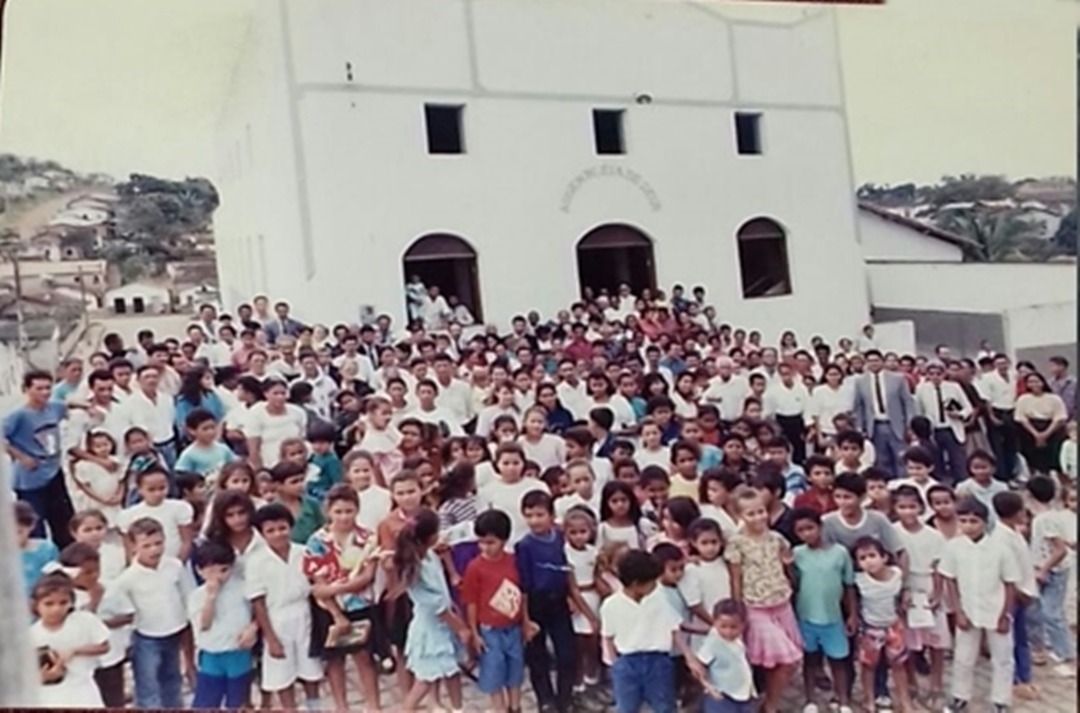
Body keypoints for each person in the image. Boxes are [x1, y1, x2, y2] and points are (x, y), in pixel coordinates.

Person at [302, 485, 382, 713]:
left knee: (364, 657)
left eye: (349, 511)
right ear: (328, 511)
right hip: (329, 610)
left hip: (361, 605)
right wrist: (335, 611)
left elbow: (367, 576)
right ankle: (341, 707)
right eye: (338, 511)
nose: (344, 516)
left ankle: (373, 706)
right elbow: (317, 582)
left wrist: (334, 588)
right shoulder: (317, 541)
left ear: (357, 510)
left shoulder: (367, 538)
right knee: (334, 661)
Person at [939, 497, 1019, 713]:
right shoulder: (954, 547)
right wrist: (958, 611)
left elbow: (1010, 583)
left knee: (1002, 658)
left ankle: (1001, 701)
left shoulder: (1000, 549)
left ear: (985, 522)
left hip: (996, 609)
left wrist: (1006, 615)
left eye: (973, 521)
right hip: (968, 610)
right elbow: (950, 580)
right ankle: (960, 697)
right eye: (963, 521)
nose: (968, 526)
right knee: (964, 658)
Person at [725, 490, 802, 713]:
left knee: (779, 662)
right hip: (756, 608)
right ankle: (769, 705)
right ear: (740, 515)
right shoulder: (737, 543)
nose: (758, 517)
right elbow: (735, 578)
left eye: (761, 512)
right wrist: (738, 610)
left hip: (782, 604)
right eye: (751, 514)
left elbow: (787, 564)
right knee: (788, 661)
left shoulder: (776, 538)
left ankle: (770, 703)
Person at [245, 503, 324, 711]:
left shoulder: (303, 552)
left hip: (304, 613)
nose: (278, 534)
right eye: (270, 531)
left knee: (311, 667)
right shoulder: (256, 561)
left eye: (282, 528)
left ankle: (314, 705)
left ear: (290, 527)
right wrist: (271, 638)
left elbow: (316, 583)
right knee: (281, 672)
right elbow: (258, 602)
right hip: (276, 619)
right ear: (261, 533)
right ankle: (289, 708)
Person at [393, 509, 468, 712]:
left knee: (452, 673)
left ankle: (457, 708)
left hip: (445, 625)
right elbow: (437, 608)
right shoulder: (417, 568)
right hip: (432, 631)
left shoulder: (429, 556)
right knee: (425, 681)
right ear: (431, 536)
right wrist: (462, 629)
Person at [600, 549, 693, 713]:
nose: (655, 585)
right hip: (627, 662)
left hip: (658, 662)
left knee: (664, 706)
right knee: (626, 707)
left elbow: (674, 628)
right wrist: (616, 665)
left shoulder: (659, 597)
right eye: (652, 582)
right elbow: (607, 637)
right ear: (636, 584)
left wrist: (689, 657)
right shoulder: (611, 605)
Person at [114, 517, 193, 709]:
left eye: (158, 543)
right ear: (133, 547)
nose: (154, 550)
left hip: (174, 631)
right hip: (147, 637)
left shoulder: (174, 566)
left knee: (172, 679)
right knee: (148, 685)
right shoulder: (127, 579)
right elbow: (125, 611)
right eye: (146, 545)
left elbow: (188, 596)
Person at [515, 490, 583, 713]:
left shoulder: (561, 538)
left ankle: (565, 696)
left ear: (552, 515)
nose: (535, 520)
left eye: (539, 514)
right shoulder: (524, 546)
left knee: (567, 652)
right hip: (535, 602)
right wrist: (524, 619)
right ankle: (545, 699)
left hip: (559, 601)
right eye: (529, 515)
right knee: (538, 655)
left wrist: (571, 597)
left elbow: (567, 570)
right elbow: (523, 585)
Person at [461, 509, 531, 713]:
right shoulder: (475, 567)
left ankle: (515, 706)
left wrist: (526, 622)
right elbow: (471, 601)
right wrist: (474, 633)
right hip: (489, 630)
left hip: (513, 627)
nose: (485, 547)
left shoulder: (514, 561)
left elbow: (522, 594)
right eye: (481, 542)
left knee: (515, 670)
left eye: (491, 542)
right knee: (494, 672)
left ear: (504, 539)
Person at [790, 508, 854, 713]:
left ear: (820, 527)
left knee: (838, 661)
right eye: (801, 530)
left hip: (834, 617)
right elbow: (794, 584)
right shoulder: (797, 554)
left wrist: (852, 614)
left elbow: (848, 586)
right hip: (806, 617)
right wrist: (787, 567)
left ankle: (843, 700)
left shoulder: (840, 553)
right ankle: (810, 700)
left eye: (810, 528)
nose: (807, 533)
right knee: (810, 661)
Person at [890, 486, 949, 707]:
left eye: (912, 506)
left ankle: (936, 685)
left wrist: (937, 594)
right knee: (908, 641)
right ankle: (911, 683)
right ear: (895, 509)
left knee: (936, 641)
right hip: (905, 588)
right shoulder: (893, 532)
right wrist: (901, 591)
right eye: (902, 507)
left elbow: (939, 566)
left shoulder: (933, 535)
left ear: (921, 508)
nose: (908, 512)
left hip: (929, 587)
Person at [5, 370, 76, 547]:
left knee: (64, 521)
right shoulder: (18, 415)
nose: (44, 392)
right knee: (35, 526)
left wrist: (87, 406)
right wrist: (20, 456)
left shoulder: (54, 407)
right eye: (39, 388)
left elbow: (68, 404)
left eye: (47, 388)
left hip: (53, 472)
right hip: (31, 479)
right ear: (27, 389)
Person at [187, 542, 259, 709]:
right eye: (211, 571)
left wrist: (253, 627)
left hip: (238, 652)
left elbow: (258, 611)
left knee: (238, 701)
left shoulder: (242, 588)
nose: (218, 576)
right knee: (207, 702)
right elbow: (204, 624)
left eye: (223, 570)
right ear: (199, 571)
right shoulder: (197, 596)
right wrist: (211, 597)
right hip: (212, 654)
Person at [851, 537, 914, 713]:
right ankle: (869, 699)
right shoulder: (859, 580)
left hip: (894, 627)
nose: (868, 561)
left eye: (872, 555)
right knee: (869, 666)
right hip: (870, 629)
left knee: (898, 665)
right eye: (862, 558)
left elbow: (902, 594)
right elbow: (853, 600)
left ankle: (904, 700)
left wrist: (905, 599)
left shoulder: (896, 574)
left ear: (884, 557)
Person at [30, 572, 111, 708]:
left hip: (83, 688)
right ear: (36, 605)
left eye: (63, 603)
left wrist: (75, 651)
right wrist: (43, 676)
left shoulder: (84, 620)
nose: (56, 609)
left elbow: (104, 646)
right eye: (49, 604)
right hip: (50, 694)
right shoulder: (32, 634)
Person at [989, 491, 1040, 701]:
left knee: (1022, 638)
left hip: (1024, 592)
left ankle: (1025, 677)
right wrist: (1020, 594)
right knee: (1013, 639)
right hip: (1014, 596)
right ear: (1016, 513)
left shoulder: (1015, 533)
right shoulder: (1000, 539)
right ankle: (1017, 680)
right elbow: (1006, 573)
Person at [1027, 475, 1077, 675]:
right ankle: (1043, 647)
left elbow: (1060, 550)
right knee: (1038, 610)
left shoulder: (1044, 520)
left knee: (1051, 613)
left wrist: (1043, 570)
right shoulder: (1056, 516)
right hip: (1049, 568)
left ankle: (1067, 656)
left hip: (1053, 571)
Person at [851, 350, 915, 477]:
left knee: (901, 458)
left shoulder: (898, 378)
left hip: (896, 425)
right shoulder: (860, 381)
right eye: (870, 361)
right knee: (881, 460)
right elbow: (859, 406)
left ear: (882, 362)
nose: (873, 364)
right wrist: (860, 427)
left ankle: (902, 486)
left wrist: (909, 424)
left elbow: (908, 402)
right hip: (874, 426)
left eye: (876, 360)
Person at [692, 599, 758, 713]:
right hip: (721, 695)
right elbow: (698, 668)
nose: (728, 632)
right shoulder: (712, 643)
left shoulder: (738, 641)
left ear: (743, 625)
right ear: (715, 622)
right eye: (723, 626)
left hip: (743, 693)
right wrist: (708, 687)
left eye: (733, 627)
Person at [913, 361, 972, 484]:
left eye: (938, 374)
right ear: (927, 375)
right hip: (933, 430)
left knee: (958, 461)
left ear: (944, 374)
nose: (935, 377)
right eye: (932, 374)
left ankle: (962, 486)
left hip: (951, 428)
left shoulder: (954, 387)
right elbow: (918, 410)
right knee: (936, 461)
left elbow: (968, 408)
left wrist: (959, 414)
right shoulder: (921, 388)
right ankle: (941, 485)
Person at [1014, 372, 1068, 477]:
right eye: (1030, 382)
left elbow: (1060, 417)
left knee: (1052, 454)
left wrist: (1045, 434)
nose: (1034, 384)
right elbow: (1021, 418)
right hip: (1029, 429)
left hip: (1051, 428)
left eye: (1036, 381)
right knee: (1031, 453)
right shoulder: (1023, 399)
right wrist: (1036, 434)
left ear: (1042, 382)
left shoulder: (1054, 398)